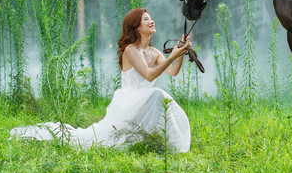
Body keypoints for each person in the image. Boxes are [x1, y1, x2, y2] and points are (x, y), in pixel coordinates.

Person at [10, 8, 192, 152]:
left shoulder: (154, 52)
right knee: (157, 95)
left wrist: (181, 53)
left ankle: (171, 145)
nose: (151, 21)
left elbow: (173, 71)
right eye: (146, 19)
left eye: (150, 18)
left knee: (159, 96)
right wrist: (172, 55)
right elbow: (150, 75)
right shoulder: (130, 50)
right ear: (136, 26)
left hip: (145, 100)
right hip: (129, 101)